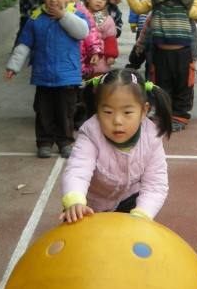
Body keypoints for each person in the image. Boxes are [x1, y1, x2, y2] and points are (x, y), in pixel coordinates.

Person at [59, 69, 171, 223]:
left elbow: (155, 184)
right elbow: (78, 170)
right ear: (98, 109)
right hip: (88, 203)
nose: (117, 121)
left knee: (130, 233)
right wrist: (75, 200)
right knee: (77, 230)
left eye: (127, 112)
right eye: (108, 112)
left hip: (127, 199)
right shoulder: (91, 133)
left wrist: (142, 214)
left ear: (144, 111)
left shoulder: (151, 137)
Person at [4, 0, 89, 159]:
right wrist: (13, 66)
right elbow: (24, 44)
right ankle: (44, 142)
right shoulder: (35, 18)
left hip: (67, 76)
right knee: (43, 111)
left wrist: (63, 16)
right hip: (43, 76)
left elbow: (82, 32)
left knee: (66, 111)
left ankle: (65, 142)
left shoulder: (75, 14)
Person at [124, 0, 197, 132]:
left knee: (183, 86)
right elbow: (139, 8)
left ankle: (180, 116)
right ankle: (164, 114)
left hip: (182, 53)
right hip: (161, 52)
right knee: (161, 85)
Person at [81, 0, 118, 78]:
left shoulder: (106, 18)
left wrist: (111, 55)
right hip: (81, 55)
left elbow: (110, 39)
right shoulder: (80, 14)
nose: (99, 1)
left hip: (100, 59)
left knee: (97, 79)